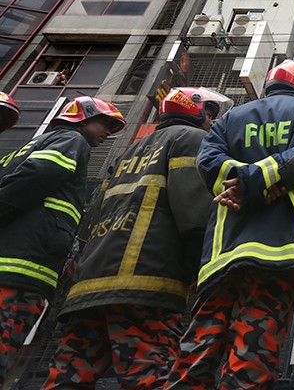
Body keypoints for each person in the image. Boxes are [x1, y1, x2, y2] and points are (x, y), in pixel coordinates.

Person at [43, 88, 231, 389]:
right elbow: (195, 215)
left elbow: (94, 214)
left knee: (67, 377)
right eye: (210, 114)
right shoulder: (192, 140)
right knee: (153, 375)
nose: (212, 122)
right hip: (145, 285)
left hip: (87, 289)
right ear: (196, 111)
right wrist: (204, 271)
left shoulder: (132, 149)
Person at [166, 61, 294, 390]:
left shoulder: (230, 119)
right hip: (279, 252)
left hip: (222, 255)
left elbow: (208, 162)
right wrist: (261, 180)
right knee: (252, 354)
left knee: (196, 352)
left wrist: (242, 181)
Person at [0, 96, 125, 386]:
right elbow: (39, 176)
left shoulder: (25, 148)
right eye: (103, 124)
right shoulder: (71, 140)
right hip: (23, 268)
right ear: (80, 118)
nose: (107, 133)